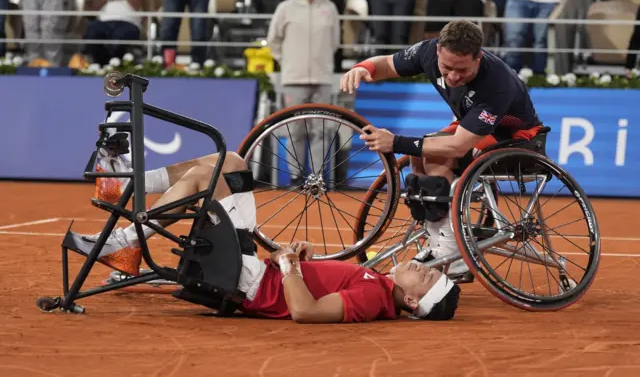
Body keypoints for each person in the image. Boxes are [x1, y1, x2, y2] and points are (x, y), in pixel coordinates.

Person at [69, 151, 461, 323]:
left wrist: (288, 265)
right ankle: (131, 186)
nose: (418, 264)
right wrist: (301, 259)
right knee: (235, 164)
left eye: (424, 277)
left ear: (411, 300)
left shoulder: (376, 299)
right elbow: (313, 288)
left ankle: (125, 241)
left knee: (208, 179)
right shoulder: (377, 284)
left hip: (250, 280)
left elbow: (305, 313)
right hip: (258, 270)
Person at [339, 20, 543, 275]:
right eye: (446, 68)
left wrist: (396, 142)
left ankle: (450, 246)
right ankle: (440, 242)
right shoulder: (428, 51)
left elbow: (457, 147)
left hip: (517, 138)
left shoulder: (497, 82)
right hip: (472, 128)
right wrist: (362, 67)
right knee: (420, 156)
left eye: (463, 70)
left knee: (438, 157)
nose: (454, 77)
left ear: (478, 57)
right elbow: (388, 64)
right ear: (438, 51)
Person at [266, 0, 340, 184]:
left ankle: (317, 177)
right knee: (294, 130)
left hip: (322, 79)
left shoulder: (330, 8)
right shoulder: (285, 8)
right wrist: (287, 62)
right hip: (293, 79)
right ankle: (296, 176)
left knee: (321, 130)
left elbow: (335, 42)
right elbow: (273, 41)